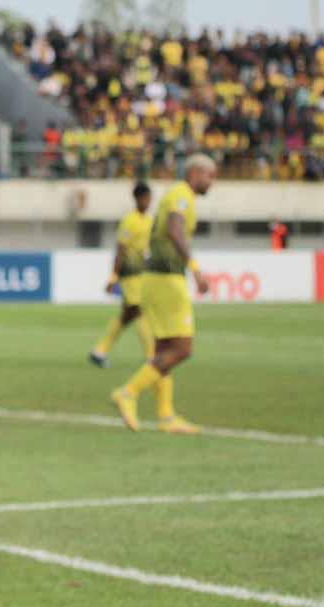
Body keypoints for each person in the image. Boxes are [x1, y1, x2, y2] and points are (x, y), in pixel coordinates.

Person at [112, 154, 216, 435]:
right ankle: (128, 392)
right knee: (182, 348)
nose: (212, 182)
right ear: (195, 173)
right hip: (167, 278)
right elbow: (174, 228)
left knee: (163, 349)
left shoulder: (177, 195)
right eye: (210, 176)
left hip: (153, 279)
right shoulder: (181, 195)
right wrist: (195, 268)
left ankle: (166, 415)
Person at [89, 181, 155, 368]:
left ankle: (99, 351)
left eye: (150, 198)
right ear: (137, 199)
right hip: (129, 272)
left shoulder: (149, 220)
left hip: (142, 272)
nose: (148, 202)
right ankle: (151, 355)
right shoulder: (130, 220)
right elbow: (121, 249)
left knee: (127, 315)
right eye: (145, 198)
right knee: (137, 311)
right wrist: (113, 276)